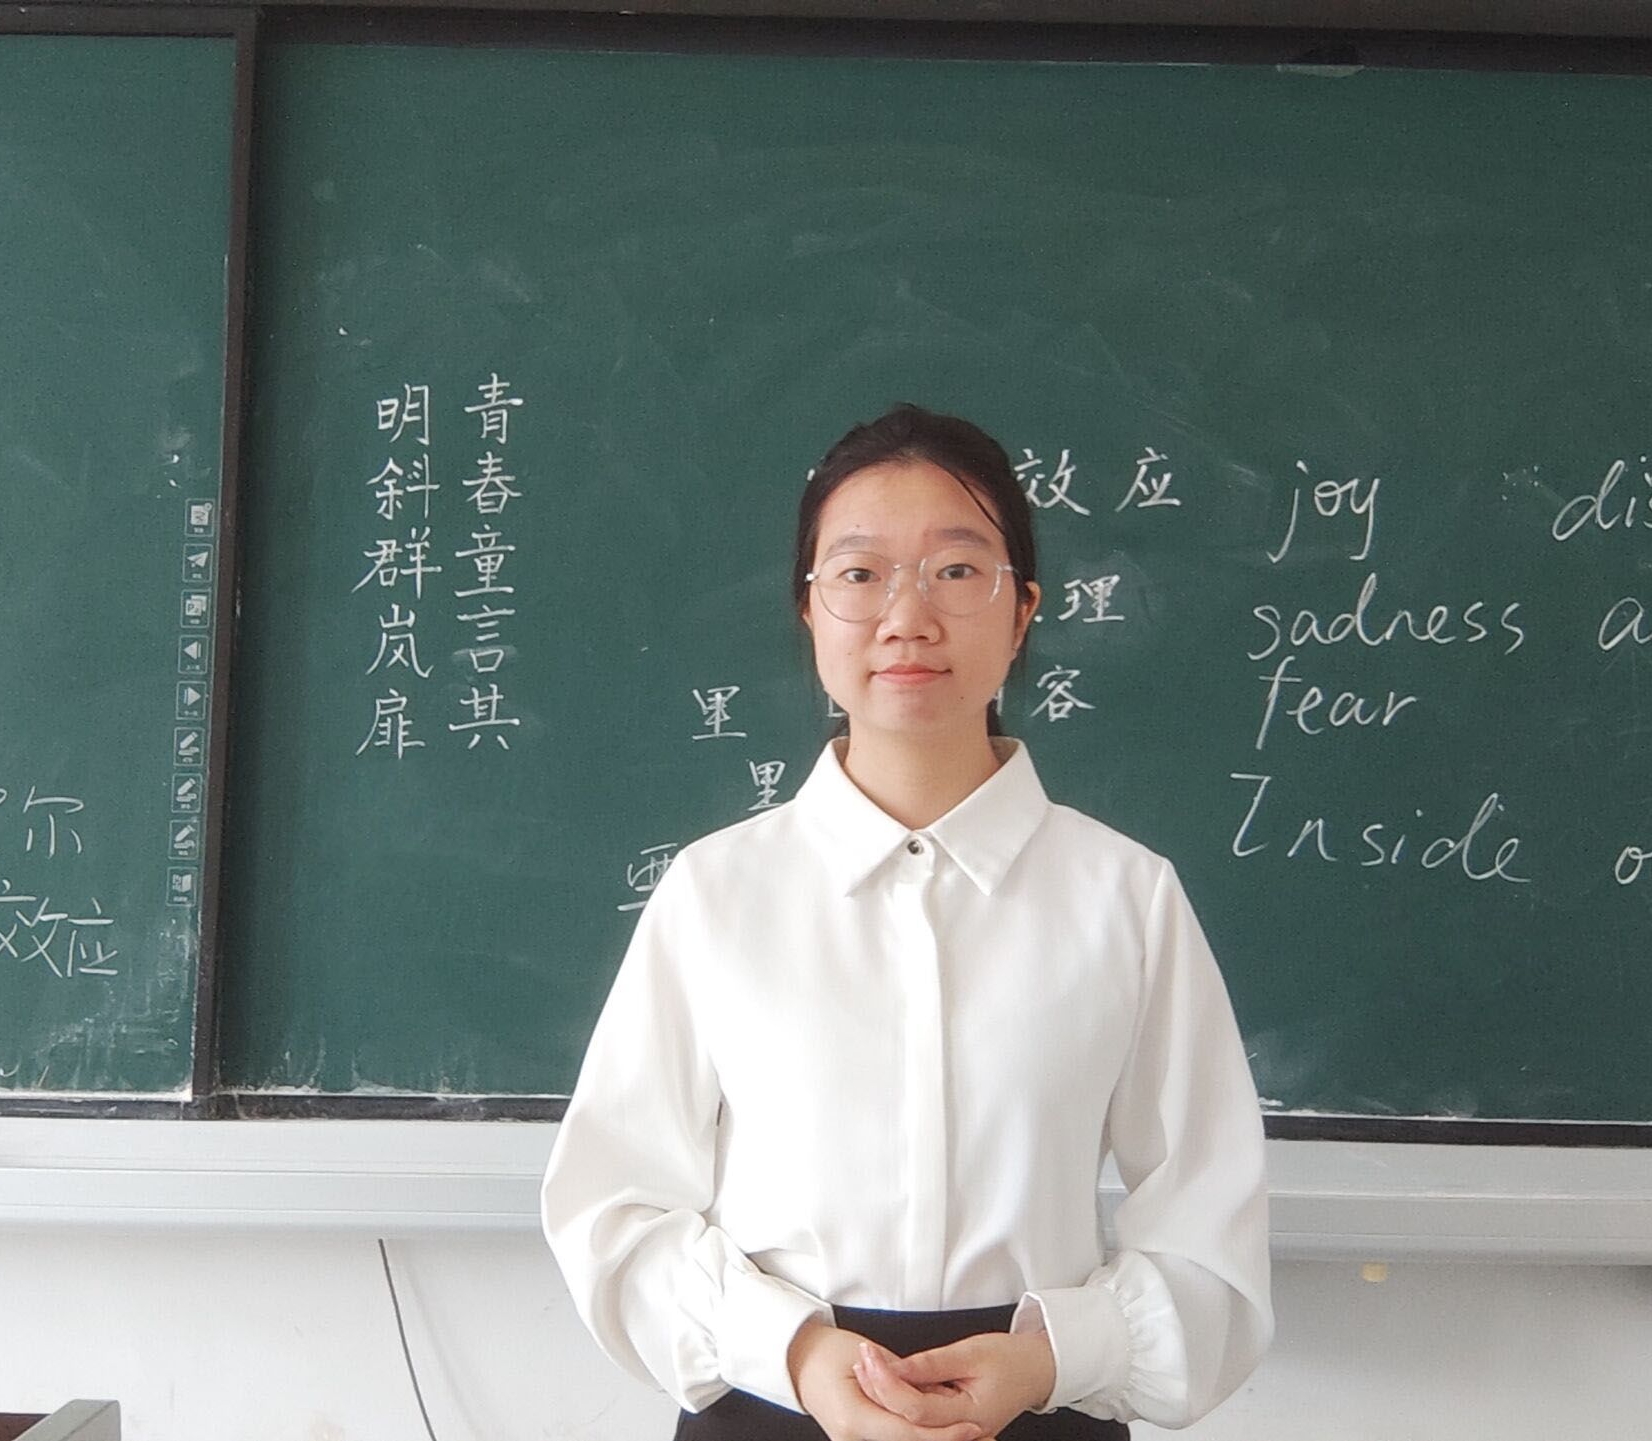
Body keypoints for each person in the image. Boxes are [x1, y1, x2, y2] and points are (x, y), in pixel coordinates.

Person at [542, 404, 1271, 1440]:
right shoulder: (714, 894)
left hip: (1036, 1409)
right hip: (774, 1405)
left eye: (956, 570)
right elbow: (611, 1206)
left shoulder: (1127, 897)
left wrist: (1050, 1357)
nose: (906, 616)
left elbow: (1212, 1231)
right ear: (809, 609)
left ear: (1023, 611)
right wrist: (799, 1355)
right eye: (860, 573)